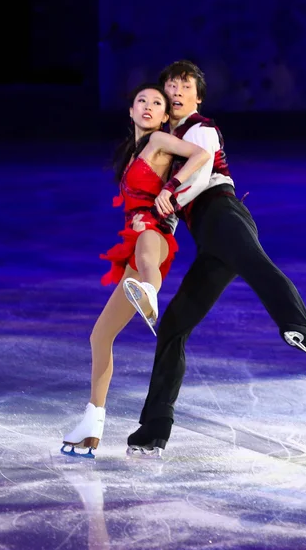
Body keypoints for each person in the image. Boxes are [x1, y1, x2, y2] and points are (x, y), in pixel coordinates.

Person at [126, 61, 306, 458]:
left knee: (256, 265)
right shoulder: (168, 138)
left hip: (221, 212)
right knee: (173, 326)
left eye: (185, 86)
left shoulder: (200, 127)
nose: (176, 92)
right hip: (208, 236)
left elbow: (200, 175)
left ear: (197, 97)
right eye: (171, 86)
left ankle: (300, 328)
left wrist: (172, 195)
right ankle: (154, 428)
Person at [61, 82, 210, 458]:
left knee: (147, 259)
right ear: (130, 111)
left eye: (156, 102)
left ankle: (150, 294)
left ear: (165, 115)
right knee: (100, 336)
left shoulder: (160, 140)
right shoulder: (134, 152)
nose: (147, 106)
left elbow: (201, 154)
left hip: (156, 231)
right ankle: (93, 421)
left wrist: (172, 188)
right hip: (135, 236)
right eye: (140, 101)